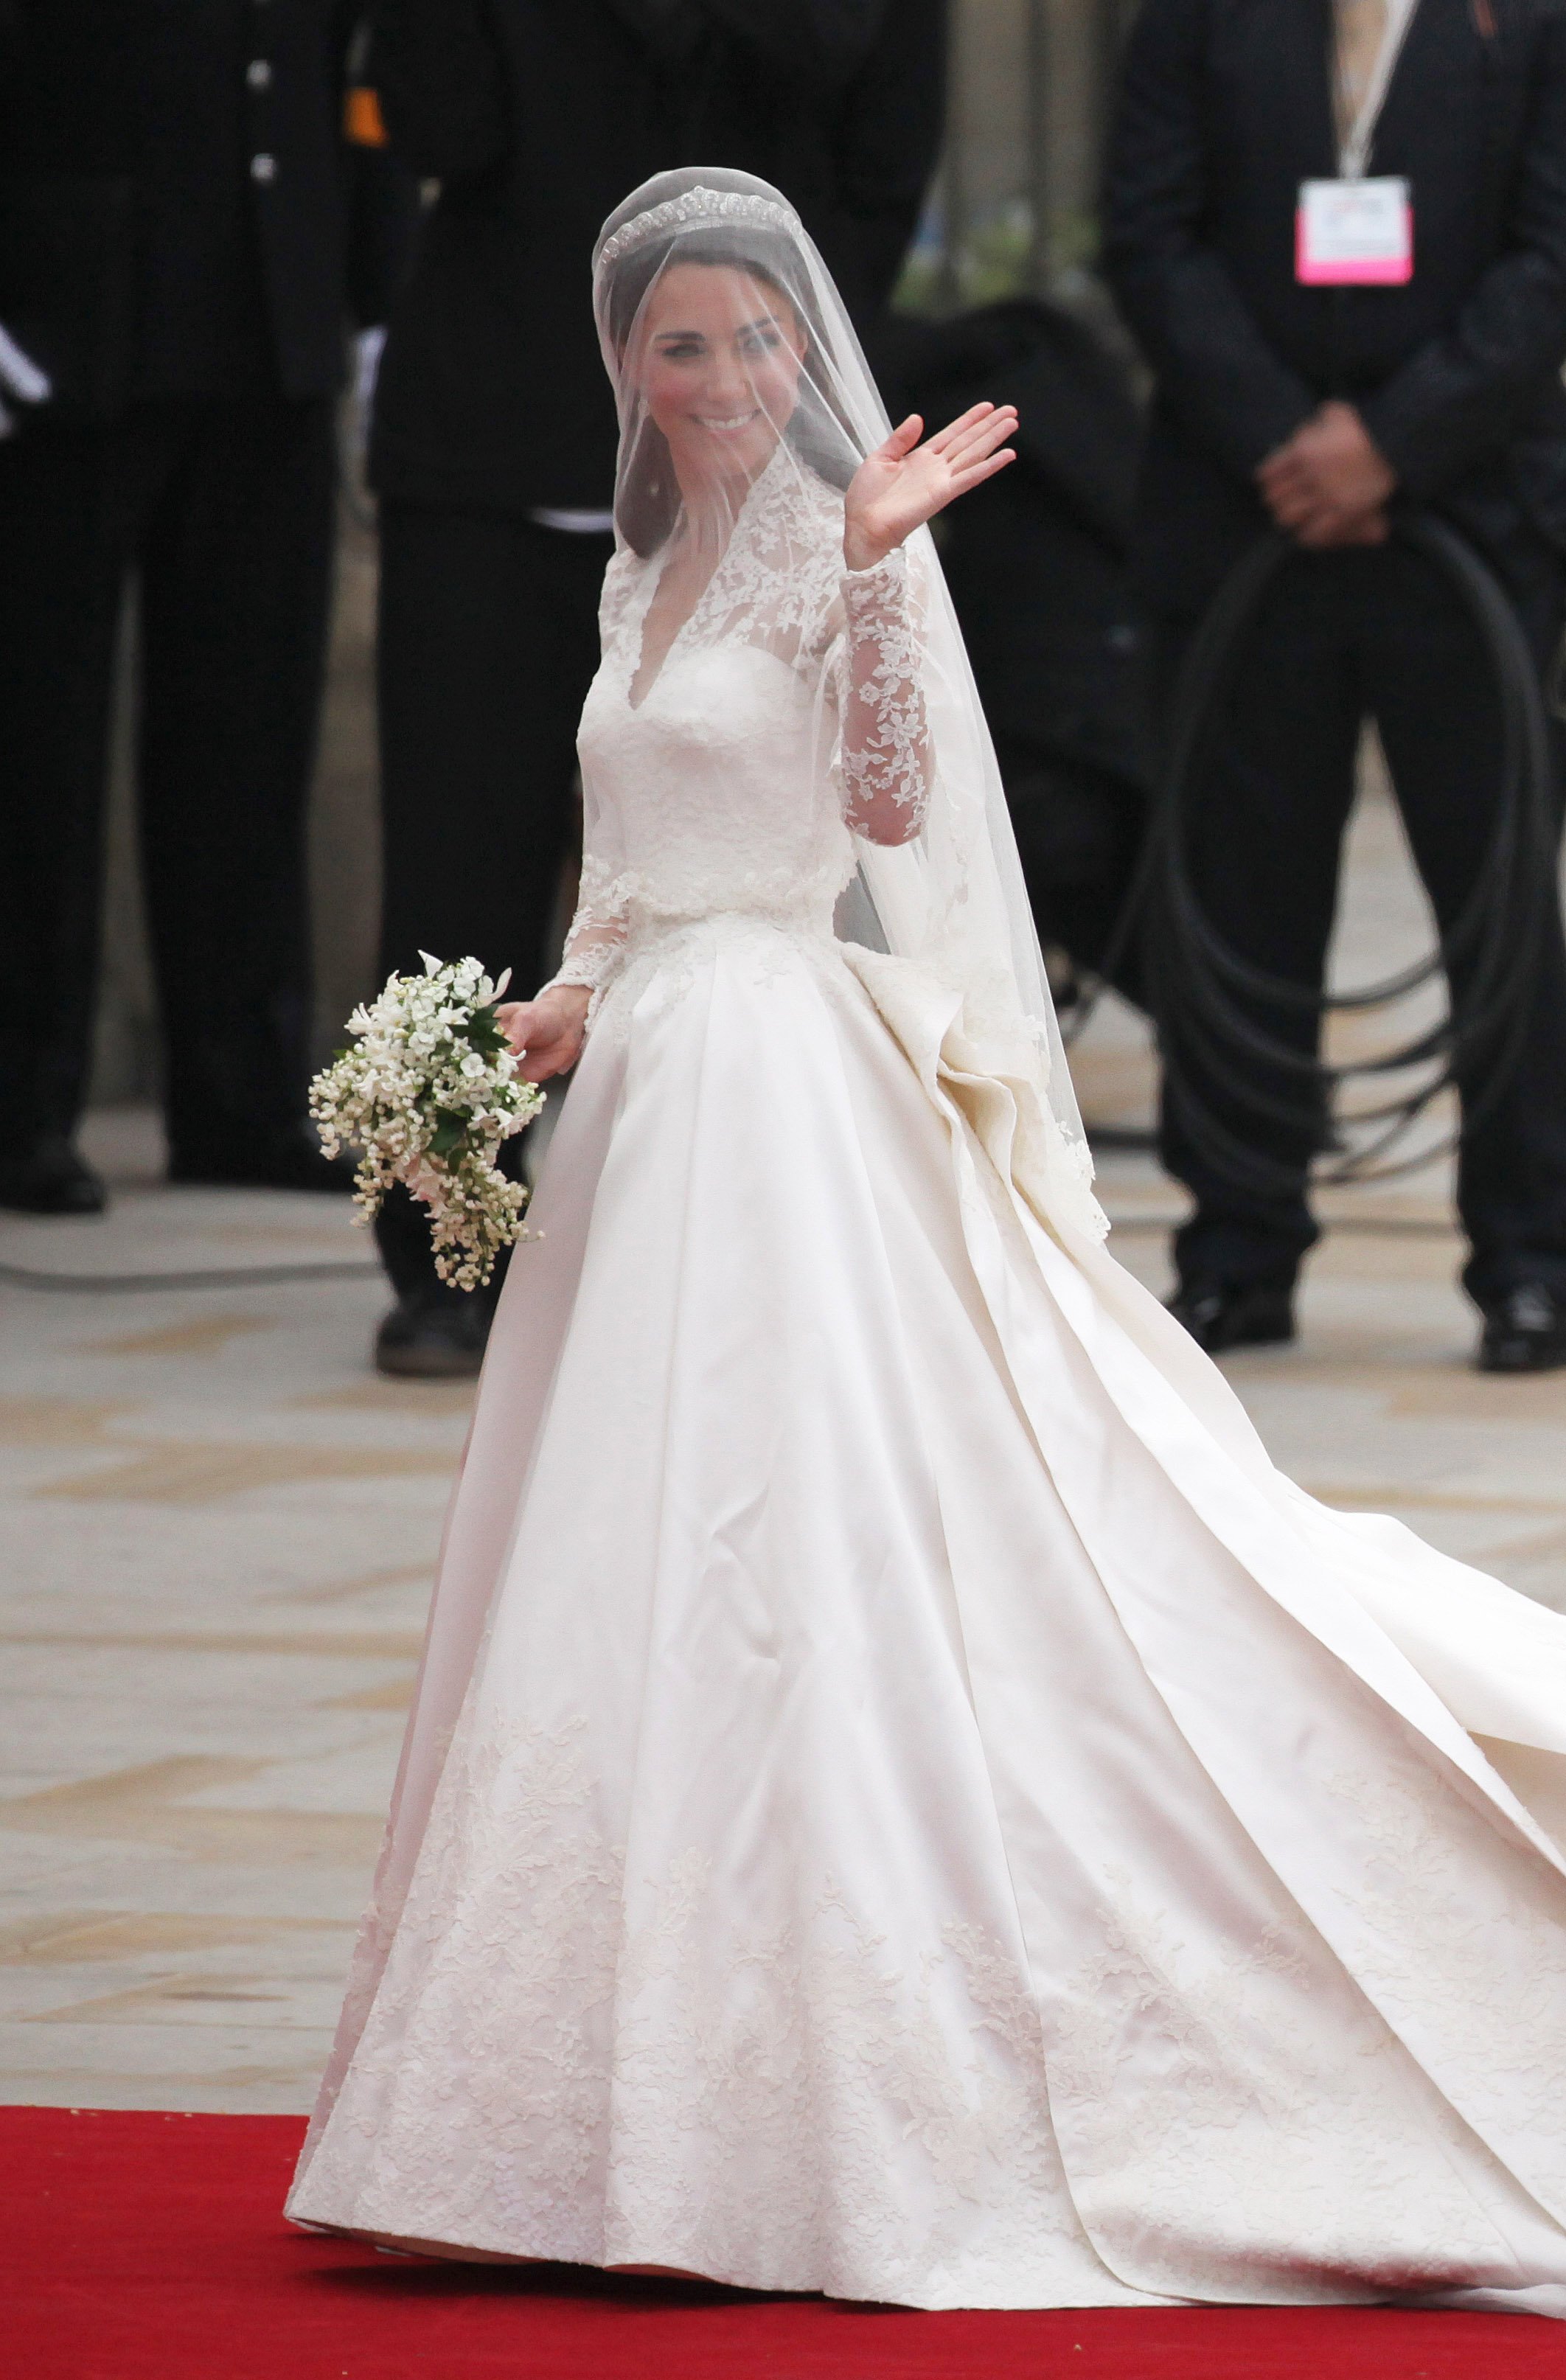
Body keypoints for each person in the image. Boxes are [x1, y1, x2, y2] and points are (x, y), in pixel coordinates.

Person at [288, 171, 1566, 2313]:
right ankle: (573, 2093)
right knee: (609, 1559)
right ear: (625, 366)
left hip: (784, 1091)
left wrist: (874, 574)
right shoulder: (637, 575)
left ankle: (816, 2081)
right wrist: (524, 1021)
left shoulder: (813, 542)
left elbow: (881, 809)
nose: (714, 380)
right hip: (645, 1095)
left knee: (781, 1553)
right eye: (675, 346)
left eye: (749, 342)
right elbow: (626, 871)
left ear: (802, 353)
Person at [363, 0, 944, 1377]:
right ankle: (449, 1234)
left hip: (750, 445)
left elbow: (884, 151)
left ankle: (785, 1239)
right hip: (495, 447)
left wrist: (758, 373)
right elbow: (433, 119)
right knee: (459, 849)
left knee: (763, 855)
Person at [1102, 0, 1566, 1371]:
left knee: (1498, 905)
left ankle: (1531, 1258)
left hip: (1470, 517)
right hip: (1247, 512)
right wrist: (1290, 443)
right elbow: (1149, 229)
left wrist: (1395, 442)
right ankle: (1238, 1248)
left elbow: (1549, 258)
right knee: (1245, 899)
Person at [0, 0, 406, 1214]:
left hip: (270, 334)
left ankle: (238, 1093)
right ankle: (21, 1101)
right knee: (38, 746)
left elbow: (364, 81)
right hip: (63, 332)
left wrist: (376, 299)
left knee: (247, 736)